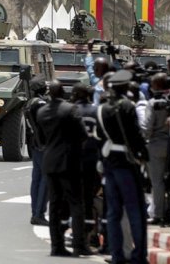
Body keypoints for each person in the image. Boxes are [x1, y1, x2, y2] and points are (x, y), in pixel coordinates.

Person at [97, 70, 149, 264]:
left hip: (110, 161)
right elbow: (135, 135)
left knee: (113, 212)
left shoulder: (102, 109)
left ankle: (117, 254)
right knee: (135, 210)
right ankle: (139, 255)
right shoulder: (127, 106)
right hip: (127, 162)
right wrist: (143, 155)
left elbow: (99, 138)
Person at [35, 80, 91, 256]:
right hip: (69, 161)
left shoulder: (42, 112)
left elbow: (42, 138)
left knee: (54, 205)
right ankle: (79, 245)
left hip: (50, 161)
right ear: (63, 93)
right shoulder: (70, 109)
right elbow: (82, 134)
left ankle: (56, 246)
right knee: (76, 204)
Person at [73, 82, 103, 249]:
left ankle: (78, 234)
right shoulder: (95, 111)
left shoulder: (71, 111)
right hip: (92, 160)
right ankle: (91, 234)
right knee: (91, 198)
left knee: (76, 200)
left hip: (75, 160)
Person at [144, 73, 170, 226]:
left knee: (157, 182)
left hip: (155, 146)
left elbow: (147, 127)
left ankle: (158, 214)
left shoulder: (152, 103)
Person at [24, 77, 49, 226]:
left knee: (36, 180)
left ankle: (36, 212)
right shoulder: (40, 104)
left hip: (35, 143)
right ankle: (39, 213)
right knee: (44, 181)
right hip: (43, 144)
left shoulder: (29, 103)